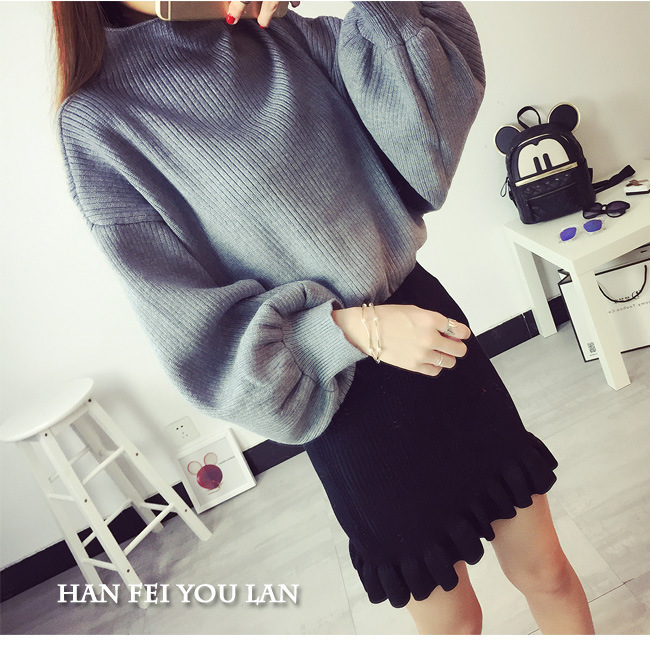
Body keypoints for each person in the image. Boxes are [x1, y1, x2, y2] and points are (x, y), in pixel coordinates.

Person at [51, 0, 595, 634]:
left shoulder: (278, 34)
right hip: (339, 394)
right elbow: (193, 335)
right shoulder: (99, 122)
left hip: (432, 330)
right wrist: (351, 330)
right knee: (453, 623)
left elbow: (426, 121)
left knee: (548, 572)